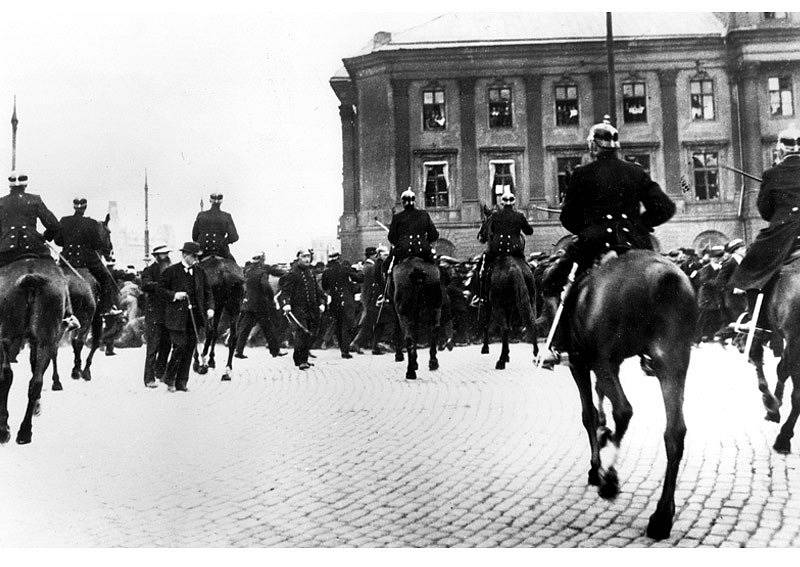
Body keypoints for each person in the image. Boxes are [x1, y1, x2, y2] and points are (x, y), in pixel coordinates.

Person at [540, 120, 676, 368]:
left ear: (593, 147)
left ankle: (557, 344)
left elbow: (568, 218)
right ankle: (656, 344)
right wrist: (639, 225)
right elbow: (666, 207)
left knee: (554, 283)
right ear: (616, 147)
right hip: (634, 242)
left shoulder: (581, 173)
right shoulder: (636, 171)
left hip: (594, 244)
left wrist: (589, 229)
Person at [730, 125, 800, 330]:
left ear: (781, 149)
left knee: (752, 265)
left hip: (784, 234)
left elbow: (766, 212)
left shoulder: (772, 174)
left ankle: (757, 319)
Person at [0, 170, 78, 328]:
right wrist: (44, 237)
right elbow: (55, 225)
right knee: (58, 275)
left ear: (9, 186)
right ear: (25, 184)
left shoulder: (1, 202)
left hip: (8, 251)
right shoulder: (34, 200)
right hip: (35, 247)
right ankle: (68, 315)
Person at [160, 242, 215, 392]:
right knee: (179, 347)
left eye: (198, 256)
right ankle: (169, 379)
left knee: (190, 349)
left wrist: (210, 308)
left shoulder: (200, 272)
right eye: (194, 256)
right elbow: (160, 291)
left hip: (195, 318)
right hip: (176, 318)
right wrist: (174, 295)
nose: (197, 259)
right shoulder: (171, 271)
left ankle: (182, 382)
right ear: (185, 255)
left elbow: (208, 292)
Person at [55, 197, 121, 316]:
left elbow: (58, 241)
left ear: (74, 207)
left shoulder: (64, 220)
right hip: (87, 262)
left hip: (66, 261)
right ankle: (106, 308)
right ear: (85, 208)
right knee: (105, 278)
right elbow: (97, 244)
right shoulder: (92, 223)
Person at [476, 188, 536, 301]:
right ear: (514, 202)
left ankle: (481, 297)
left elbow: (485, 237)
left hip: (497, 254)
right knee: (529, 274)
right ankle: (532, 298)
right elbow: (529, 231)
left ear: (501, 202)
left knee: (483, 271)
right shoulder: (519, 216)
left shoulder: (494, 216)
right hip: (516, 253)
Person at [277, 249, 325, 370]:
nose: (307, 259)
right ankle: (300, 360)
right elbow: (285, 292)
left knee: (310, 333)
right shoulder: (293, 273)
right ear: (298, 258)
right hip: (298, 309)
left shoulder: (310, 272)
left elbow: (316, 290)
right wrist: (286, 304)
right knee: (301, 333)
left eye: (308, 256)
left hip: (312, 309)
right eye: (304, 256)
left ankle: (303, 359)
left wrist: (322, 300)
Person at [233, 252, 287, 359]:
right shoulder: (263, 271)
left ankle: (239, 351)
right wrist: (270, 297)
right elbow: (266, 286)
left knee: (245, 329)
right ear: (262, 260)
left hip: (248, 304)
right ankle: (275, 351)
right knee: (268, 328)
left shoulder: (247, 271)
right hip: (261, 305)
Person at [140, 244, 173, 388]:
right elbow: (146, 285)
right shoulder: (149, 270)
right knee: (153, 347)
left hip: (168, 314)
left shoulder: (172, 270)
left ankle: (160, 372)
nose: (166, 257)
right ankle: (148, 378)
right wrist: (162, 287)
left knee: (167, 345)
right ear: (156, 257)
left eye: (167, 254)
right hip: (154, 314)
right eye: (163, 254)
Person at [191, 192, 243, 280]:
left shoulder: (201, 215)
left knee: (189, 273)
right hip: (222, 251)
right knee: (237, 273)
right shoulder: (226, 216)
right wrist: (223, 242)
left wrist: (200, 242)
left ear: (210, 200)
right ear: (221, 201)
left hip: (203, 253)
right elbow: (234, 236)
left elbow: (194, 236)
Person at [321, 251, 358, 359]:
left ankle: (343, 348)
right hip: (346, 301)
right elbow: (358, 278)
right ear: (338, 258)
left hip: (335, 301)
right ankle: (345, 350)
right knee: (347, 325)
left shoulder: (326, 272)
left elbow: (325, 286)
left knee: (338, 325)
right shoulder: (345, 268)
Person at [388, 188, 439, 264]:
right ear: (415, 201)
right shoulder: (424, 214)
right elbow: (434, 234)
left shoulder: (397, 217)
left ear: (402, 202)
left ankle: (388, 274)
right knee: (436, 266)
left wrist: (400, 242)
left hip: (403, 252)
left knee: (390, 267)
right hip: (423, 251)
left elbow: (391, 237)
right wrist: (425, 242)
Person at [349, 246, 380, 354]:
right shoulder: (370, 267)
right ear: (374, 255)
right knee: (368, 321)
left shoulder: (366, 266)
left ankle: (360, 343)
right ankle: (356, 343)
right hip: (370, 298)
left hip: (367, 297)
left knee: (369, 321)